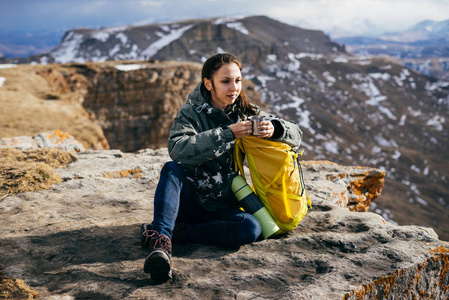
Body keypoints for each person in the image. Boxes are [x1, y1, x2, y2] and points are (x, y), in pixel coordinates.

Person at [141, 53, 303, 282]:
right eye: (225, 81)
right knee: (171, 169)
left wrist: (275, 129)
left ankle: (181, 232)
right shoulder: (190, 113)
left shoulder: (246, 112)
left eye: (237, 80)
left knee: (251, 229)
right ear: (208, 83)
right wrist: (228, 134)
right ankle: (161, 245)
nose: (234, 87)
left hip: (222, 205)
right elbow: (177, 149)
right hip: (188, 200)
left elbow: (297, 135)